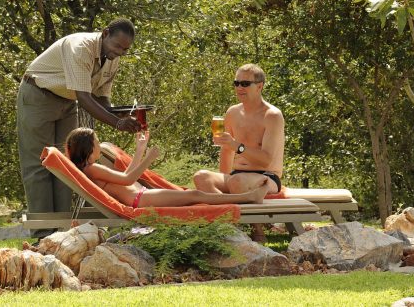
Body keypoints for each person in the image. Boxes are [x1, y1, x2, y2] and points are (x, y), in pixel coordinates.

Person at [17, 18, 143, 238]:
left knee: (66, 165)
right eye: (117, 46)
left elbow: (101, 98)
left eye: (125, 49)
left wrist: (120, 114)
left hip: (67, 101)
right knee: (39, 163)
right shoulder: (81, 47)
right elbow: (84, 98)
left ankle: (61, 231)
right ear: (105, 34)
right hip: (38, 95)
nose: (120, 52)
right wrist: (117, 123)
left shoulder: (112, 58)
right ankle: (42, 234)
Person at [192, 63, 285, 240]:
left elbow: (266, 160)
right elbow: (226, 152)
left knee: (237, 181)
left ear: (259, 86)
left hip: (267, 176)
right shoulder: (232, 113)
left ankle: (257, 231)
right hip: (238, 175)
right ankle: (229, 226)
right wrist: (224, 179)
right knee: (201, 177)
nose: (239, 87)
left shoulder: (272, 115)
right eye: (236, 83)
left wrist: (237, 147)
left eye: (245, 84)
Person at [66, 128, 268, 207]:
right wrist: (148, 159)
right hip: (141, 199)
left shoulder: (90, 169)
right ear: (88, 147)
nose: (100, 145)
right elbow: (128, 180)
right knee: (196, 195)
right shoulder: (91, 169)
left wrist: (140, 149)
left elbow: (126, 176)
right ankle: (248, 198)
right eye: (97, 141)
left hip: (142, 195)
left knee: (195, 195)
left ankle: (247, 198)